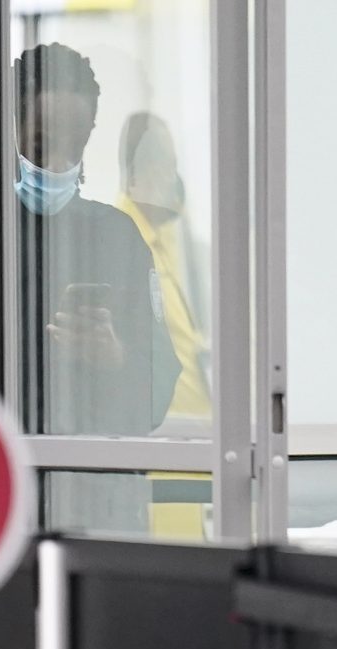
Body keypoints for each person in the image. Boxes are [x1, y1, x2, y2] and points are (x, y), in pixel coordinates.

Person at [10, 42, 175, 532]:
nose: (58, 161)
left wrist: (114, 357)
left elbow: (157, 390)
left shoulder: (116, 236)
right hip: (4, 499)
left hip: (100, 503)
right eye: (42, 143)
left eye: (74, 143)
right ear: (7, 130)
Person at [115, 111, 210, 420]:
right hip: (165, 443)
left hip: (203, 432)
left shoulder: (168, 233)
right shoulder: (118, 239)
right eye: (169, 165)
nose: (173, 178)